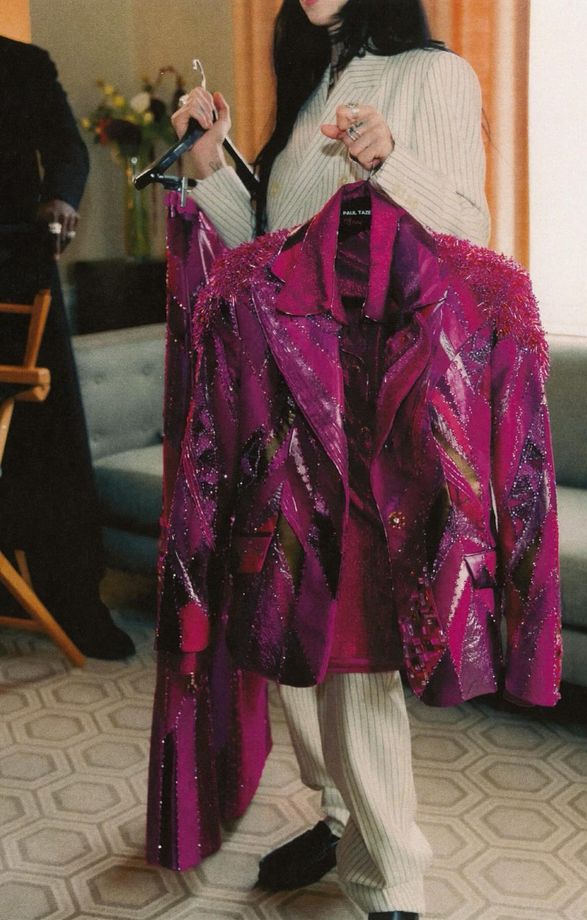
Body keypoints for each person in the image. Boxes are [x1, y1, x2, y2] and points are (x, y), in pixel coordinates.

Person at [163, 2, 558, 917]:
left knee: (355, 645)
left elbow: (471, 232)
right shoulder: (312, 85)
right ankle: (339, 814)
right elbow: (265, 246)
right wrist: (211, 161)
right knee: (281, 618)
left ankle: (393, 882)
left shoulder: (434, 77)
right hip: (284, 400)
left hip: (380, 405)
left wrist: (388, 161)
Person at [0, 35, 134, 660]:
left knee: (46, 442)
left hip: (13, 270)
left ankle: (73, 601)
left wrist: (60, 196)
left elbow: (67, 151)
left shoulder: (21, 63)